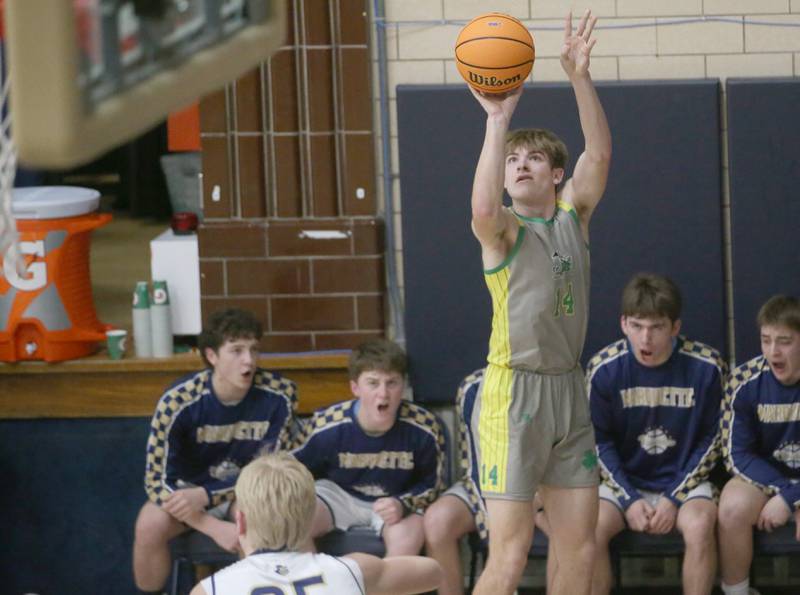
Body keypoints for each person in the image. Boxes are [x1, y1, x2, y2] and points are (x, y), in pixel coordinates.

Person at [468, 9, 612, 595]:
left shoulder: (574, 216)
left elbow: (598, 157)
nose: (520, 165)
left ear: (556, 175)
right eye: (512, 161)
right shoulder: (502, 231)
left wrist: (579, 76)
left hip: (567, 389)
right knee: (510, 554)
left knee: (580, 547)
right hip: (513, 393)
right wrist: (497, 121)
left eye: (532, 159)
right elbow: (481, 208)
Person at [132, 308, 298, 594]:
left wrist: (209, 495)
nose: (249, 360)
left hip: (245, 490)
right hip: (188, 496)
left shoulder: (280, 394)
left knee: (258, 519)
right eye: (236, 351)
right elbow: (156, 480)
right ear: (212, 356)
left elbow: (270, 471)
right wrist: (208, 524)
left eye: (254, 350)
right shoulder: (178, 401)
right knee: (149, 523)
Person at [586, 273, 725, 595]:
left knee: (700, 524)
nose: (645, 338)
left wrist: (674, 496)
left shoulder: (707, 366)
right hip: (624, 482)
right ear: (623, 324)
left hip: (684, 483)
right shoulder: (603, 369)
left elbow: (714, 440)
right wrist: (629, 498)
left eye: (657, 327)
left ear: (675, 327)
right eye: (637, 326)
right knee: (590, 527)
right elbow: (597, 442)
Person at [190, 452, 443, 595]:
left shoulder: (210, 590)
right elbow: (433, 571)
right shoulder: (352, 570)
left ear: (240, 521)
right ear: (310, 516)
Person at [293, 338, 446, 556]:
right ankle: (315, 577)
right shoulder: (326, 424)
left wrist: (403, 503)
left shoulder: (424, 426)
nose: (383, 394)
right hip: (338, 495)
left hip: (396, 498)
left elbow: (434, 485)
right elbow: (291, 470)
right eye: (373, 383)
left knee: (407, 537)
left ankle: (389, 579)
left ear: (403, 386)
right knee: (296, 522)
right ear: (355, 387)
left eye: (392, 383)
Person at [718, 294, 800, 595]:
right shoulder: (743, 381)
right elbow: (736, 454)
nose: (773, 351)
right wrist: (787, 494)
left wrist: (794, 498)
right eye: (766, 340)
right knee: (732, 508)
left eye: (784, 341)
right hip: (766, 478)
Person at [423, 369, 488, 595]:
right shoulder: (475, 386)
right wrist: (490, 520)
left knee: (568, 525)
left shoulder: (559, 378)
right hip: (484, 483)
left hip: (545, 486)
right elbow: (473, 465)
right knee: (437, 521)